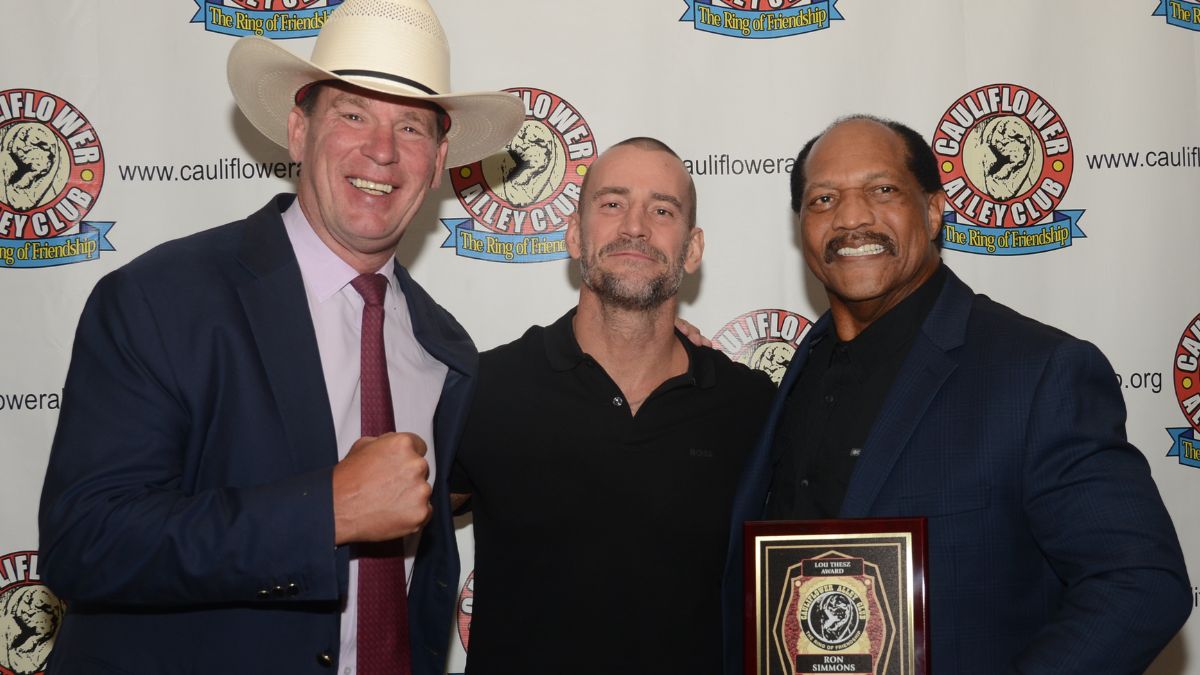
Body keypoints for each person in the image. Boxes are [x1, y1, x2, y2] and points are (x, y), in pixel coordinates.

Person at [37, 1, 523, 673]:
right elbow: (85, 542)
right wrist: (326, 512)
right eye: (353, 115)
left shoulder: (445, 350)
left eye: (410, 127)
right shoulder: (162, 298)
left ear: (438, 160)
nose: (382, 150)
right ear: (299, 131)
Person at [721, 116, 1191, 674]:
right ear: (801, 225)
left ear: (934, 210)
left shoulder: (1038, 371)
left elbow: (1139, 583)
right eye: (823, 199)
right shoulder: (800, 370)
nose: (850, 217)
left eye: (882, 190)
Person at [450, 138, 776, 674]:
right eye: (612, 203)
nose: (635, 227)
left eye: (662, 210)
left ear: (692, 249)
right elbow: (400, 532)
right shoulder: (485, 389)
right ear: (575, 235)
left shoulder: (752, 407)